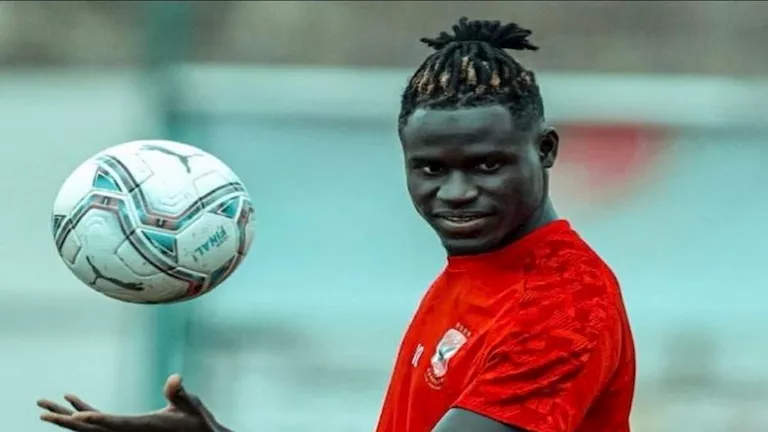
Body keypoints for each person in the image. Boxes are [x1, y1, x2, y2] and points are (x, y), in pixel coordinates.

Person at [37, 17, 636, 432]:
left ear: (545, 150)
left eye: (488, 165)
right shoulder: (477, 269)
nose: (456, 193)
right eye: (431, 168)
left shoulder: (564, 304)